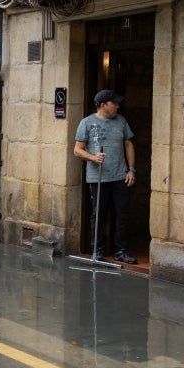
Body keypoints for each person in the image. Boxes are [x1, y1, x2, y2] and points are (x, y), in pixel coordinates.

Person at [73, 89, 138, 264]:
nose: (117, 106)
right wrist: (93, 157)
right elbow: (77, 150)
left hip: (120, 176)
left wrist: (132, 170)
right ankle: (97, 249)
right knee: (98, 214)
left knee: (122, 213)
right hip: (98, 177)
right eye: (114, 103)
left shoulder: (121, 121)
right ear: (103, 105)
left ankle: (121, 250)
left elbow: (128, 144)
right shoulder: (87, 123)